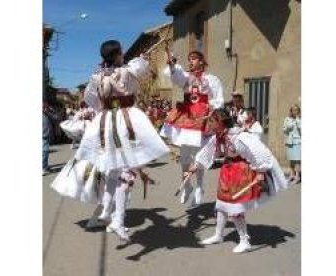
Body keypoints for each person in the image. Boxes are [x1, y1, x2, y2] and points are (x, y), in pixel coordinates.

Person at [52, 40, 170, 242]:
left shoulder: (96, 76)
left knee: (113, 172)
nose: (123, 54)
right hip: (125, 120)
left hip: (105, 121)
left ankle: (107, 211)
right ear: (117, 55)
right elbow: (139, 76)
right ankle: (118, 220)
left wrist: (107, 101)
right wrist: (142, 60)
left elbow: (92, 100)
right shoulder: (126, 71)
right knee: (126, 172)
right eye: (121, 52)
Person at [185, 108, 287, 253]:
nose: (209, 123)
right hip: (227, 171)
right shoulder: (218, 136)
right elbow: (207, 152)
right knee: (221, 205)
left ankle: (244, 241)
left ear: (220, 123)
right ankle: (218, 235)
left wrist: (261, 171)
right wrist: (196, 165)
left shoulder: (238, 137)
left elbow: (258, 151)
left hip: (240, 172)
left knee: (235, 208)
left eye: (212, 121)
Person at [160, 50, 224, 206]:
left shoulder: (211, 79)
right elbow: (176, 76)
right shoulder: (186, 77)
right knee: (184, 158)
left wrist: (211, 108)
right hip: (187, 117)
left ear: (201, 61)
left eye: (194, 59)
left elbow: (219, 98)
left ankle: (199, 187)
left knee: (198, 157)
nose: (190, 62)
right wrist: (172, 64)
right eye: (189, 59)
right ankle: (187, 186)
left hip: (202, 120)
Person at [283, 104, 301, 184]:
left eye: (296, 110)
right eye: (293, 110)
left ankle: (297, 176)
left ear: (298, 111)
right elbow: (284, 129)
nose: (295, 112)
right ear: (291, 111)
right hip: (289, 141)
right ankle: (292, 174)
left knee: (297, 160)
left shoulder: (300, 119)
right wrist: (287, 127)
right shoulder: (287, 119)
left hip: (297, 141)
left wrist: (297, 120)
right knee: (291, 159)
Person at [42, 102, 59, 175]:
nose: (45, 108)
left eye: (46, 107)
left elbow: (56, 118)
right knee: (45, 151)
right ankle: (43, 168)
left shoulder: (47, 114)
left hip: (47, 135)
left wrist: (51, 111)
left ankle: (45, 166)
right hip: (43, 135)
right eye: (43, 107)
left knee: (45, 152)